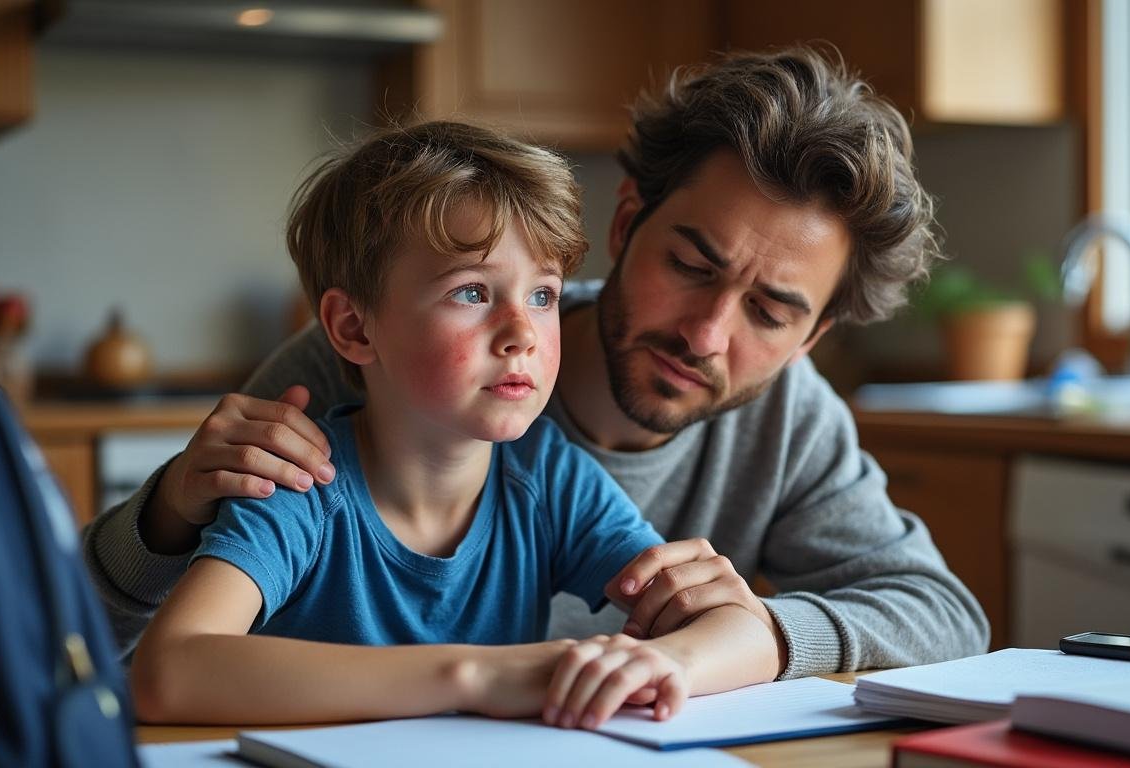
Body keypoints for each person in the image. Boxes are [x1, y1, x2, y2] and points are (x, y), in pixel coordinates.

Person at [85, 45, 989, 683]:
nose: (708, 335)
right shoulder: (345, 375)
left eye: (770, 311)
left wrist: (762, 634)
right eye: (690, 266)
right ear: (627, 223)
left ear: (812, 337)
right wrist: (164, 521)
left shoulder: (783, 416)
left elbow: (943, 614)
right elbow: (99, 654)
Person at [128, 121, 780, 727]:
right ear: (354, 327)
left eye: (543, 295)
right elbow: (166, 672)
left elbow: (745, 631)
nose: (523, 332)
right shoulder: (300, 484)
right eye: (472, 292)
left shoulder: (550, 480)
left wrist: (667, 662)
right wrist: (474, 677)